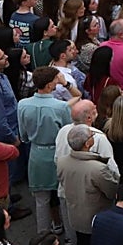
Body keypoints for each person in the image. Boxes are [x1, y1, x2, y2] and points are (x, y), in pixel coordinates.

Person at [57, 123, 121, 245]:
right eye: (91, 136)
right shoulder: (97, 169)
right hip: (96, 218)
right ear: (87, 144)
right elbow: (112, 190)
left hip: (76, 214)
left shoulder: (62, 161)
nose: (93, 136)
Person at [18, 66, 72, 233]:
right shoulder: (61, 107)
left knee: (41, 200)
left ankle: (43, 236)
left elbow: (23, 135)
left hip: (36, 154)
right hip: (59, 154)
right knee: (63, 198)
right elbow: (68, 132)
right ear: (49, 85)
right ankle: (70, 237)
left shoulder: (22, 104)